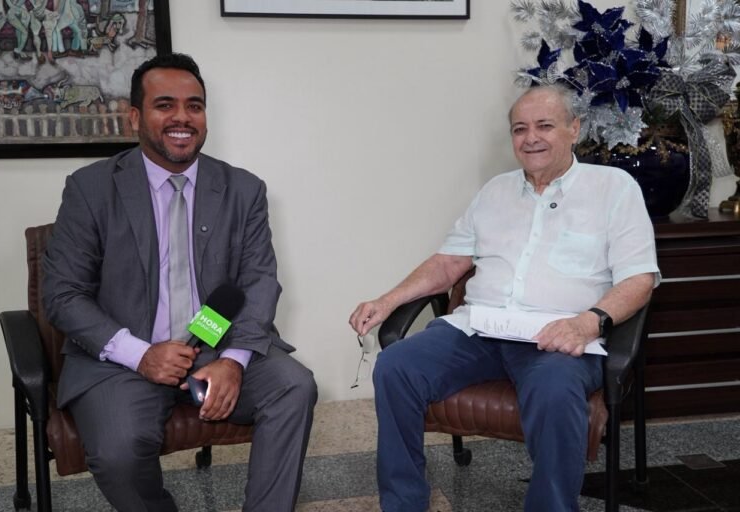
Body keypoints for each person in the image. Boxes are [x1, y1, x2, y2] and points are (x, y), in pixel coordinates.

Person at [349, 85, 659, 512]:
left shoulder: (613, 188)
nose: (531, 138)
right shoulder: (495, 192)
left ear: (574, 128)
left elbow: (639, 279)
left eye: (544, 126)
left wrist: (587, 323)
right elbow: (448, 263)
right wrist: (387, 301)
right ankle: (403, 504)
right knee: (396, 366)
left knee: (554, 389)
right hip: (478, 329)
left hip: (560, 336)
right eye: (520, 129)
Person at [42, 53, 317, 512]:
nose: (182, 118)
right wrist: (142, 354)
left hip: (213, 343)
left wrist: (233, 361)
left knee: (294, 386)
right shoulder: (90, 189)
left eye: (195, 106)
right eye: (165, 105)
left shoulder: (243, 190)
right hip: (124, 356)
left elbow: (258, 281)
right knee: (117, 452)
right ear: (135, 116)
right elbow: (63, 294)